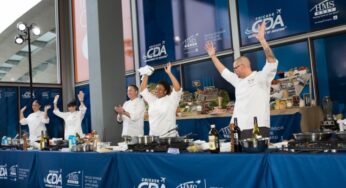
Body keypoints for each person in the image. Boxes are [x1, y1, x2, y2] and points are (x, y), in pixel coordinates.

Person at [205, 22, 278, 138]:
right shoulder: (237, 80)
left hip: (258, 126)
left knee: (256, 155)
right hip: (237, 127)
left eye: (235, 68)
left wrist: (262, 40)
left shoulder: (261, 77)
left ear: (243, 66)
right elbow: (223, 71)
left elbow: (271, 61)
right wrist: (213, 56)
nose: (233, 71)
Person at [140, 63, 183, 137]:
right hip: (154, 137)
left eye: (160, 89)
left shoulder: (171, 100)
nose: (157, 90)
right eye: (156, 88)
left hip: (169, 137)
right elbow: (143, 90)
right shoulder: (152, 100)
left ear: (165, 91)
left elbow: (177, 88)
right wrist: (146, 74)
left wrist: (169, 73)